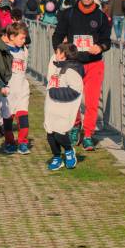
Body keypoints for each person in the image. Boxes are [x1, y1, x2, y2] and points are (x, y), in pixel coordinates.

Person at [52, 0, 111, 151]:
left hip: (94, 64)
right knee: (73, 100)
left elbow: (107, 40)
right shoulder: (68, 14)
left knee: (92, 102)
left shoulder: (101, 17)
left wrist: (100, 47)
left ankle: (88, 135)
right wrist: (59, 51)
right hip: (73, 64)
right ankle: (75, 126)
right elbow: (57, 36)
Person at [44, 43, 83, 171]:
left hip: (63, 109)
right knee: (50, 133)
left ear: (63, 55)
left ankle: (68, 150)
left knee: (60, 133)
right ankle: (57, 157)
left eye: (57, 52)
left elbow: (75, 90)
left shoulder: (71, 70)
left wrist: (55, 92)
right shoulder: (58, 67)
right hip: (51, 107)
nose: (55, 54)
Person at [0, 23, 30, 154]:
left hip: (22, 89)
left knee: (23, 116)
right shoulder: (2, 51)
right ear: (12, 37)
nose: (24, 41)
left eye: (25, 38)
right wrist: (0, 86)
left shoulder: (24, 51)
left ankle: (23, 142)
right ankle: (9, 142)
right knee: (8, 118)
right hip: (7, 90)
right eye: (21, 38)